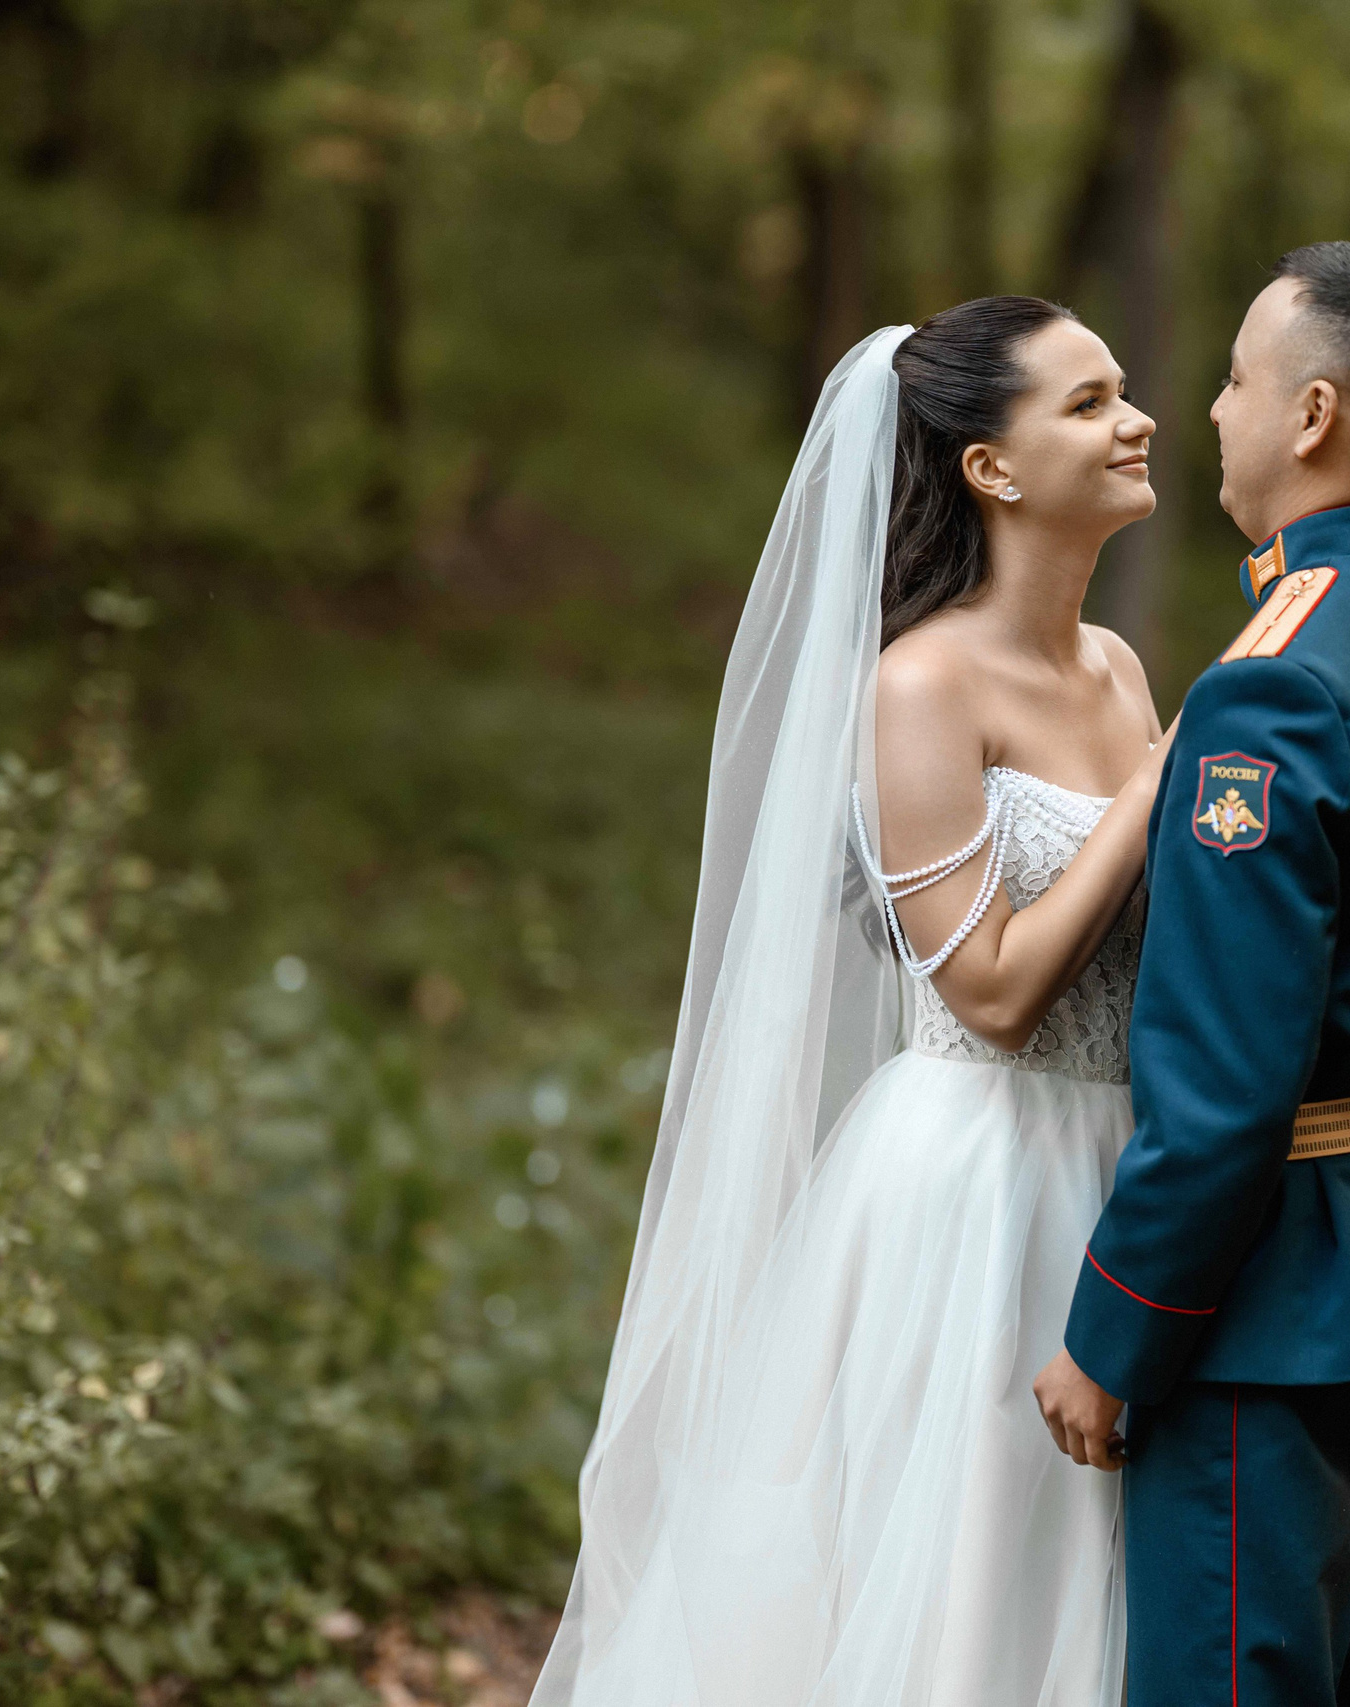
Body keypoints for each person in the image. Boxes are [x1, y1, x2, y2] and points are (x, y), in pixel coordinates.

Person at [530, 298, 1168, 1707]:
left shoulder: (1120, 670)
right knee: (970, 1588)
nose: (1137, 422)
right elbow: (992, 989)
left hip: (1127, 1166)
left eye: (1122, 393)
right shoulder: (923, 681)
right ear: (992, 470)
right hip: (982, 1190)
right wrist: (1152, 791)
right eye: (1088, 401)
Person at [1034, 241, 1350, 1706]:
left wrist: (1117, 1328)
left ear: (1311, 415)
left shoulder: (1271, 682)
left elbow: (1228, 1072)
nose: (1210, 411)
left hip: (1277, 1305)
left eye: (1240, 379)